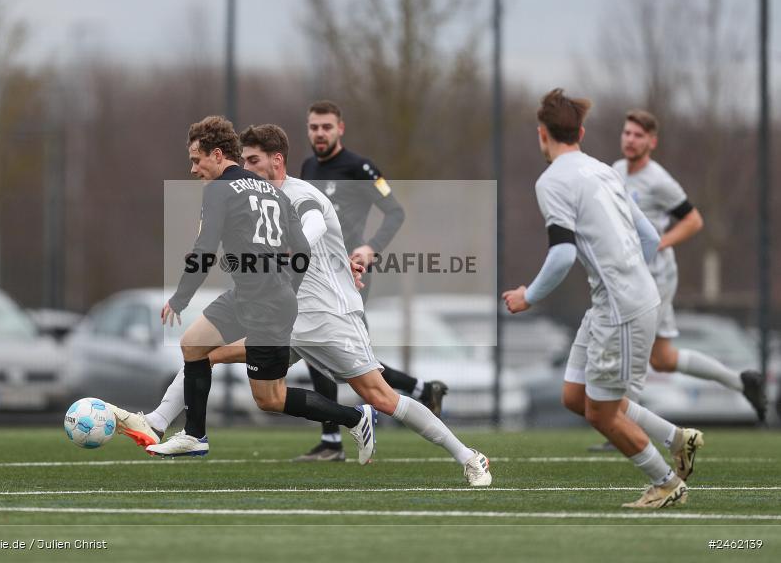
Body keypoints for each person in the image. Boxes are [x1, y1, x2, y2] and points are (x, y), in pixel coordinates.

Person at [148, 123, 491, 486]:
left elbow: (311, 227)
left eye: (252, 160)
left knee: (382, 396)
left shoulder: (298, 193)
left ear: (277, 161)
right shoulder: (252, 196)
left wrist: (291, 256)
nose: (245, 168)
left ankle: (469, 457)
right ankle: (160, 423)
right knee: (204, 353)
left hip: (329, 317)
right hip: (285, 315)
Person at [105, 115, 377, 465]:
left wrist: (179, 298)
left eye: (196, 159)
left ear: (217, 154)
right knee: (193, 344)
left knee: (271, 399)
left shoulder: (218, 190)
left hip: (266, 303)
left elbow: (204, 251)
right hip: (255, 295)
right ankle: (194, 435)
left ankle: (355, 418)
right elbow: (302, 250)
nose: (192, 169)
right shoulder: (269, 189)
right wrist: (287, 287)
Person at [502, 89, 701, 509]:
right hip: (613, 302)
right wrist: (629, 278)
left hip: (620, 308)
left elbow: (562, 254)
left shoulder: (553, 180)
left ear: (542, 134)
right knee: (575, 396)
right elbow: (649, 237)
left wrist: (528, 297)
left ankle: (666, 482)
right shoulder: (604, 170)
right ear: (582, 132)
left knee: (601, 413)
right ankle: (676, 438)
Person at [295, 100, 448, 462]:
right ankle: (421, 389)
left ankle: (334, 439)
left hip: (351, 275)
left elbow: (395, 211)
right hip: (315, 275)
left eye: (326, 127)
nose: (319, 133)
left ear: (340, 129)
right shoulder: (306, 168)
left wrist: (371, 248)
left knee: (336, 353)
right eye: (314, 127)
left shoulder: (359, 167)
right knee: (325, 352)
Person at [613, 110, 766, 420]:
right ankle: (741, 382)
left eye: (638, 135)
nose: (630, 139)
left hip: (656, 275)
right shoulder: (616, 170)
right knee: (663, 359)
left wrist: (660, 242)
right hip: (634, 273)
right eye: (627, 133)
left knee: (632, 342)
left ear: (652, 142)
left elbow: (694, 220)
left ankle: (622, 425)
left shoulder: (658, 180)